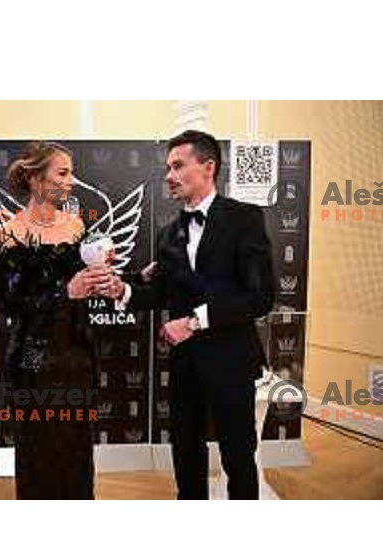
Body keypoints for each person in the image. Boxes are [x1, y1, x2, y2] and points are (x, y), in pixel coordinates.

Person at [109, 130, 275, 499]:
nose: (169, 175)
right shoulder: (168, 234)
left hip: (232, 361)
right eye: (168, 167)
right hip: (186, 365)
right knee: (185, 453)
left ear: (208, 167)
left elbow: (260, 296)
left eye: (178, 165)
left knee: (238, 457)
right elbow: (162, 292)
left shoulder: (244, 218)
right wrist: (124, 290)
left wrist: (194, 321)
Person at [0, 141, 115, 499]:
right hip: (33, 361)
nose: (71, 181)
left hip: (76, 355)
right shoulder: (7, 234)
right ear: (34, 177)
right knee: (38, 453)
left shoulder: (76, 226)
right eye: (62, 173)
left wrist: (100, 276)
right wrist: (66, 292)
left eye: (71, 173)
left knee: (76, 455)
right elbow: (12, 306)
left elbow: (81, 290)